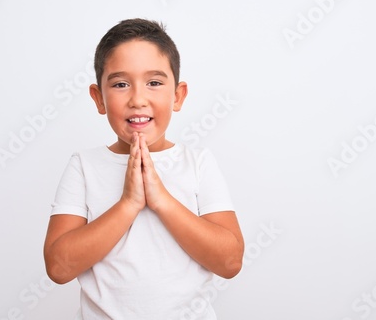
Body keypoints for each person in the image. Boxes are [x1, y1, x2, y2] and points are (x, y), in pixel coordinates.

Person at [43, 18, 244, 320]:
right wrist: (129, 204)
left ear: (177, 95)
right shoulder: (84, 166)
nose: (138, 99)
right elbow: (59, 268)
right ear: (99, 98)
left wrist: (161, 200)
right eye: (121, 84)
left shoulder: (198, 163)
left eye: (154, 82)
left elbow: (230, 262)